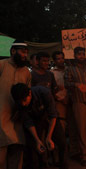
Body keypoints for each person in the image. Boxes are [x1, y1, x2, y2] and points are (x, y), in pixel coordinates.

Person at [10, 83, 68, 169]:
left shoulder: (44, 93)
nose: (23, 104)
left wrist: (48, 137)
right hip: (35, 120)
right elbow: (28, 122)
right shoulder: (21, 104)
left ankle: (63, 164)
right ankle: (42, 165)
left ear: (29, 93)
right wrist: (37, 140)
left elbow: (53, 115)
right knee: (35, 145)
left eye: (25, 100)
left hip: (49, 117)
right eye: (20, 102)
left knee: (61, 141)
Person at [0, 39, 31, 169]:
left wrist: (25, 104)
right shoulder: (1, 65)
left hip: (17, 119)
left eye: (27, 53)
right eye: (23, 52)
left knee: (17, 154)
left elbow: (28, 94)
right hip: (1, 117)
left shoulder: (26, 72)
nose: (25, 55)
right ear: (13, 51)